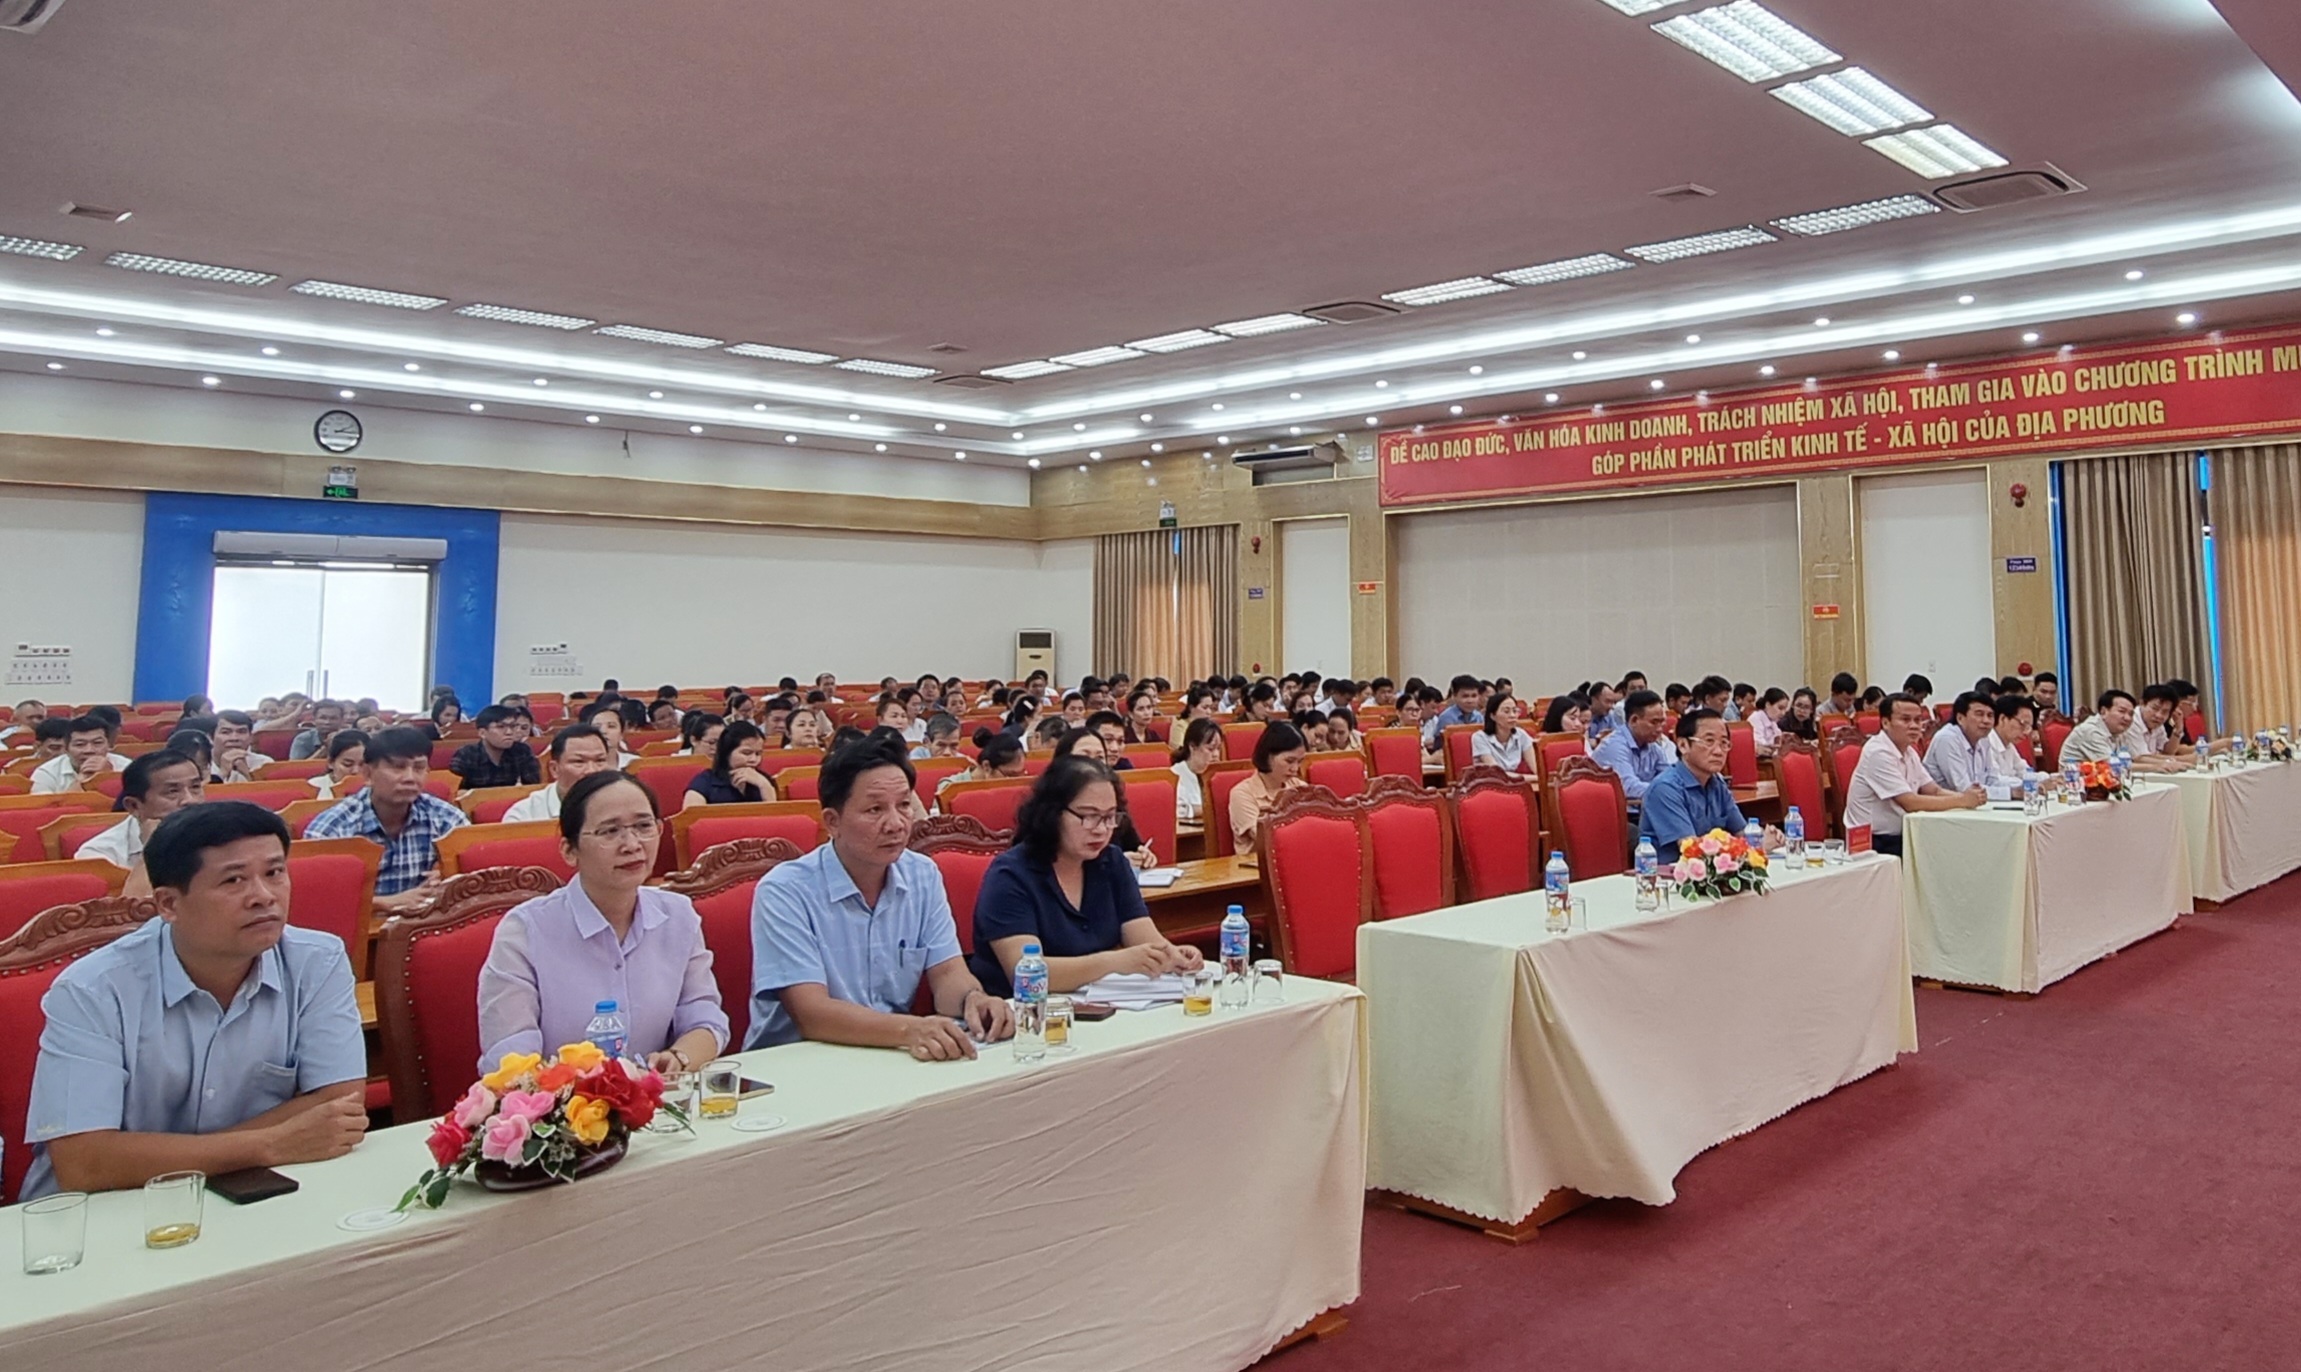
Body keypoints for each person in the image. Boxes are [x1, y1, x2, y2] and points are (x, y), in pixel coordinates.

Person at [18, 802, 368, 1200]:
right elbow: (83, 1161)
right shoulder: (91, 990)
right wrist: (269, 1144)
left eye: (274, 873)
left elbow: (339, 1103)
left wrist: (178, 1155)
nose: (264, 896)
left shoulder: (317, 961)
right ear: (168, 904)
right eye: (234, 881)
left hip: (256, 1194)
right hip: (104, 1213)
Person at [747, 734, 1013, 1057]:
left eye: (903, 805)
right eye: (875, 809)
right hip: (798, 1061)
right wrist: (910, 1029)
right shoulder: (785, 891)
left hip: (889, 1052)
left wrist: (974, 999)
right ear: (833, 822)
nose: (896, 824)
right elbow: (811, 1013)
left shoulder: (922, 875)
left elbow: (947, 975)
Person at [478, 771, 728, 1075]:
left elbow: (705, 1017)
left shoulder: (678, 915)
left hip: (661, 1103)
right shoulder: (525, 931)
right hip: (565, 1113)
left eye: (644, 826)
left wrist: (679, 1058)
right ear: (569, 851)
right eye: (610, 832)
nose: (632, 844)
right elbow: (510, 1057)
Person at [968, 757, 1203, 997]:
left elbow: (1145, 940)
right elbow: (1027, 974)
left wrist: (1172, 955)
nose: (1101, 829)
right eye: (1088, 816)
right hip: (1018, 1014)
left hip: (1095, 1005)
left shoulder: (1112, 861)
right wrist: (1117, 962)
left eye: (1110, 817)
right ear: (1052, 814)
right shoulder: (1010, 876)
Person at [305, 725, 470, 910]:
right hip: (358, 930)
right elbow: (317, 898)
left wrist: (447, 875)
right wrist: (383, 903)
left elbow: (472, 875)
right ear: (367, 774)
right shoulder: (333, 828)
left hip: (427, 926)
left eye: (419, 768)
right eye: (398, 767)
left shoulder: (447, 817)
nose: (410, 777)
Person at [1843, 694, 1985, 856]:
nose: (1914, 726)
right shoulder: (1878, 752)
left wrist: (1971, 799)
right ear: (1885, 723)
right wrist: (1962, 800)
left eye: (1918, 720)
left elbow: (1934, 791)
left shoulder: (1909, 751)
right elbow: (1910, 803)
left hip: (1904, 833)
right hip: (1873, 841)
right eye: (1905, 720)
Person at [1639, 710, 1776, 854]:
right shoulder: (1665, 788)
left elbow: (1741, 831)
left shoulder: (1717, 783)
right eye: (1709, 741)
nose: (1718, 751)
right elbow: (1692, 850)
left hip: (1713, 872)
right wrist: (1756, 848)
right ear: (1683, 745)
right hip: (1669, 873)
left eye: (1724, 743)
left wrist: (1764, 837)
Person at [78, 749, 207, 895]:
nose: (190, 800)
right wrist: (152, 849)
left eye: (195, 787)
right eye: (172, 791)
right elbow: (129, 914)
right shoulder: (99, 854)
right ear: (134, 805)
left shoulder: (222, 833)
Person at [504, 725, 617, 823]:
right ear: (554, 769)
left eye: (600, 761)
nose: (592, 770)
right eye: (579, 762)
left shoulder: (623, 804)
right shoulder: (525, 815)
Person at [1229, 721, 1308, 857]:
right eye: (1289, 761)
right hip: (1257, 868)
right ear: (1269, 757)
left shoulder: (1300, 788)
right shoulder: (1242, 794)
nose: (1295, 769)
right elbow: (1265, 838)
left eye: (1299, 762)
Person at [1590, 691, 1678, 804]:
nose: (1660, 729)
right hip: (1623, 814)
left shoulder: (1652, 745)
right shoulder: (1614, 746)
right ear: (1634, 720)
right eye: (1654, 722)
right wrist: (1669, 791)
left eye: (1662, 723)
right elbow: (1628, 787)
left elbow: (1669, 775)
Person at [684, 720, 776, 808]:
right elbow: (691, 820)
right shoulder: (704, 783)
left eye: (758, 754)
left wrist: (765, 786)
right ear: (727, 752)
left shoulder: (764, 780)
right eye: (746, 753)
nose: (754, 759)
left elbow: (776, 820)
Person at [450, 705, 542, 791]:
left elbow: (533, 788)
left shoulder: (522, 751)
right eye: (501, 727)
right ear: (482, 733)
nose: (509, 732)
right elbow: (455, 792)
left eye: (512, 726)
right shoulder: (466, 754)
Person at [30, 714, 130, 794]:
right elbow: (46, 812)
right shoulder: (46, 773)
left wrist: (109, 777)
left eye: (97, 743)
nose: (89, 750)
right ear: (66, 748)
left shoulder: (127, 767)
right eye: (80, 744)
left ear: (109, 744)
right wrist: (82, 781)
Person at [1923, 692, 1998, 791]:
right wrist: (2008, 793)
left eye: (1990, 715)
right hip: (1945, 804)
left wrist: (2019, 788)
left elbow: (1992, 779)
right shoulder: (1947, 739)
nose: (1986, 721)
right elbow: (1964, 788)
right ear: (1960, 718)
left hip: (1970, 803)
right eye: (1979, 714)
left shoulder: (1983, 739)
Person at [944, 729, 1028, 806]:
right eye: (1011, 775)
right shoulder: (950, 788)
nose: (1016, 782)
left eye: (1021, 774)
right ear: (987, 766)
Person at [1170, 717, 1224, 823]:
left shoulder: (1219, 776)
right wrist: (1206, 810)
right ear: (1192, 747)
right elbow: (1176, 810)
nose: (1216, 755)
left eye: (1218, 749)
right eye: (1210, 749)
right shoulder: (1175, 775)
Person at [1470, 693, 1535, 773]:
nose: (1512, 715)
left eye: (1515, 711)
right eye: (1506, 711)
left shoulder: (1521, 734)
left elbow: (1536, 769)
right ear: (1492, 716)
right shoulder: (1480, 737)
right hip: (1490, 783)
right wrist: (1533, 778)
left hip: (1516, 782)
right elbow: (1497, 774)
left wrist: (1537, 777)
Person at [1981, 693, 2035, 784]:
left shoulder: (2009, 745)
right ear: (2002, 719)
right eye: (2023, 724)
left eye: (2029, 726)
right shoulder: (1986, 743)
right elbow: (1995, 781)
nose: (2026, 732)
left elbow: (2024, 772)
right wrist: (2031, 783)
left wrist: (2049, 778)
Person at [208, 710, 274, 783]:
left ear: (251, 737)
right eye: (225, 732)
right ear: (211, 737)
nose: (234, 738)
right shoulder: (199, 765)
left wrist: (247, 774)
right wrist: (222, 774)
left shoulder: (264, 763)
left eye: (241, 732)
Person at [1423, 674, 1485, 749]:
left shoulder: (1479, 716)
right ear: (1454, 696)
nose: (1470, 700)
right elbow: (1442, 746)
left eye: (1474, 696)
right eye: (1465, 696)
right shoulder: (1447, 717)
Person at [311, 728, 369, 801]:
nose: (355, 771)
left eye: (363, 764)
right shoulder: (313, 788)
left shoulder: (377, 787)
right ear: (331, 762)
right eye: (347, 764)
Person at [579, 702, 642, 767]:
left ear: (621, 733)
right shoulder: (581, 766)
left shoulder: (635, 762)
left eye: (611, 726)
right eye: (597, 727)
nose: (603, 731)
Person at [287, 699, 351, 760]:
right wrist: (325, 748)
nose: (327, 722)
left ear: (342, 720)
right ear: (314, 719)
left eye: (333, 718)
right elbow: (296, 768)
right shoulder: (302, 740)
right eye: (322, 718)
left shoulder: (351, 738)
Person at [1748, 687, 1792, 755]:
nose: (1783, 713)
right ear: (1768, 704)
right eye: (1780, 708)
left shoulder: (1772, 721)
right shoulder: (1756, 718)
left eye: (1785, 709)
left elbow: (1778, 738)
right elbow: (1758, 743)